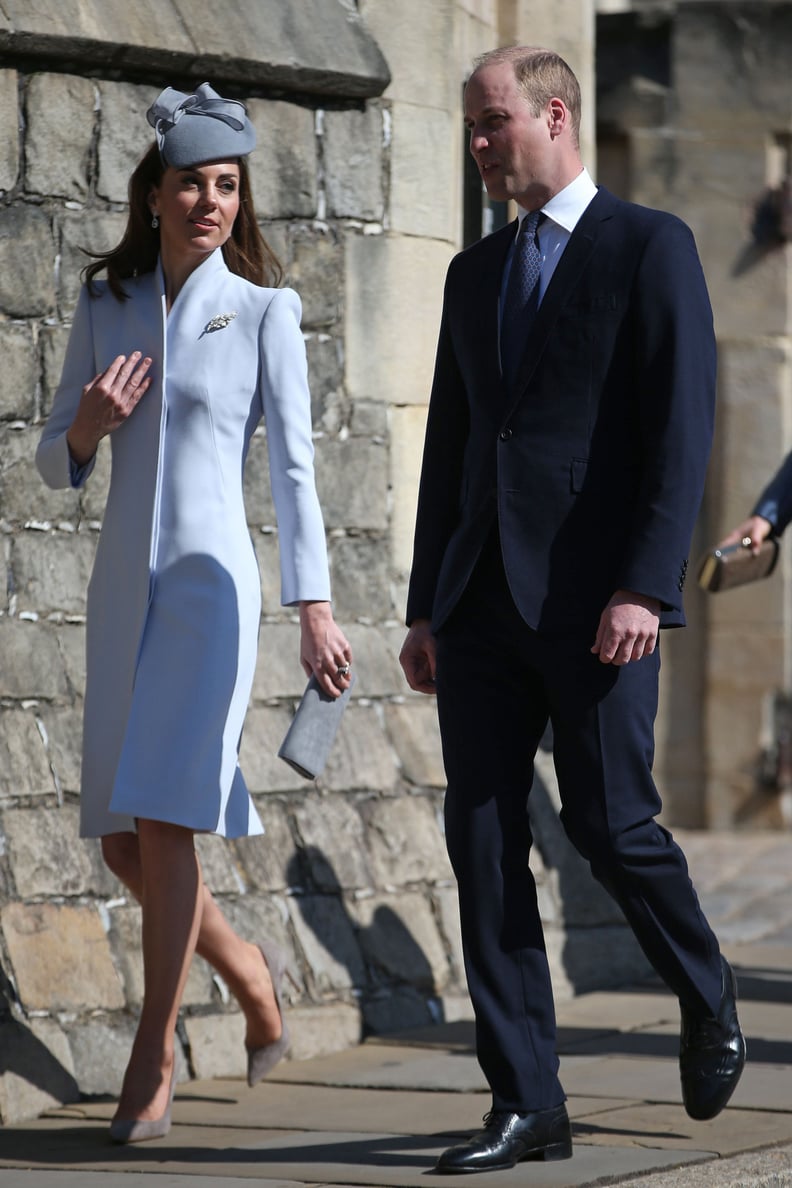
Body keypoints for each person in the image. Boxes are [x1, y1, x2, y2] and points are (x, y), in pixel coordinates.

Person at [399, 46, 745, 1174]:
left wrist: (646, 584)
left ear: (555, 114)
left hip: (601, 604)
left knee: (611, 826)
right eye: (471, 127)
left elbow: (679, 433)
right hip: (480, 603)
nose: (480, 144)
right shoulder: (472, 273)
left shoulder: (653, 249)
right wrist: (422, 607)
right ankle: (528, 1102)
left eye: (493, 123)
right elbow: (454, 448)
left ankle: (707, 993)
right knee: (485, 838)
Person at [36, 82, 352, 1144]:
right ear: (156, 193)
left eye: (227, 185)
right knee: (127, 846)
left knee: (167, 822)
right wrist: (84, 428)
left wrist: (315, 607)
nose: (210, 201)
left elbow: (299, 472)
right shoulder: (105, 301)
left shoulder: (264, 310)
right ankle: (249, 972)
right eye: (193, 184)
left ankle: (153, 1050)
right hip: (123, 593)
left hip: (214, 600)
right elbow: (53, 458)